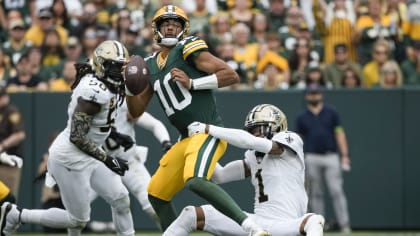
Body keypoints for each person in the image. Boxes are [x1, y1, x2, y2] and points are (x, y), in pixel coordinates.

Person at [126, 5, 269, 236]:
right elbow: (135, 112)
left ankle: (251, 228)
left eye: (176, 23)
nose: (171, 26)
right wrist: (129, 87)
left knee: (195, 180)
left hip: (208, 131)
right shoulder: (150, 64)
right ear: (156, 29)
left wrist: (193, 83)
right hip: (185, 138)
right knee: (156, 193)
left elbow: (230, 75)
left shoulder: (187, 48)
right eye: (165, 23)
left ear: (184, 29)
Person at [0, 40, 135, 236]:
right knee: (77, 219)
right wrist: (108, 159)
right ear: (100, 64)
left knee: (121, 198)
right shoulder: (93, 93)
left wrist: (115, 134)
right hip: (70, 157)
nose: (118, 72)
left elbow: (96, 121)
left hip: (90, 153)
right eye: (113, 66)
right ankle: (17, 215)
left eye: (121, 67)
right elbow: (77, 136)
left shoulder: (102, 81)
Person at [163, 104, 325, 236]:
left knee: (314, 221)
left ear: (276, 126)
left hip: (287, 225)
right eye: (252, 131)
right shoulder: (253, 156)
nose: (255, 134)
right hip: (257, 225)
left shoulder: (290, 140)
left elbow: (252, 142)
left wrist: (208, 129)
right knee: (191, 214)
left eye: (259, 129)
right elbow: (220, 175)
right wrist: (191, 150)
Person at [89, 100, 172, 229]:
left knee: (153, 206)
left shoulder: (123, 105)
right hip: (99, 165)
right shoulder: (88, 105)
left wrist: (165, 142)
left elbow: (154, 124)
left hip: (128, 162)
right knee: (76, 212)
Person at [295, 83, 351, 233]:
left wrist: (345, 155)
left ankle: (344, 224)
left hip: (330, 156)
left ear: (321, 95)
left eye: (316, 93)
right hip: (312, 157)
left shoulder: (331, 113)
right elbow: (298, 140)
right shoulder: (302, 117)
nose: (314, 96)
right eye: (311, 93)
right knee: (315, 193)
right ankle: (318, 225)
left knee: (336, 191)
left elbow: (339, 133)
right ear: (307, 96)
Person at [0, 86, 25, 198]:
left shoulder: (11, 111)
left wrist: (3, 145)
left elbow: (19, 134)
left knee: (7, 199)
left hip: (8, 163)